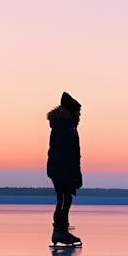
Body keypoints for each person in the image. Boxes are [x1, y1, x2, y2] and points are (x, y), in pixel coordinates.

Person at [47, 92, 83, 246]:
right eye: (78, 112)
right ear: (71, 111)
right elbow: (67, 154)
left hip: (60, 169)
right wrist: (73, 174)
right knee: (64, 199)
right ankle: (59, 231)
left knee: (64, 199)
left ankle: (61, 229)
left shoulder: (65, 126)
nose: (80, 115)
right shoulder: (65, 127)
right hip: (62, 170)